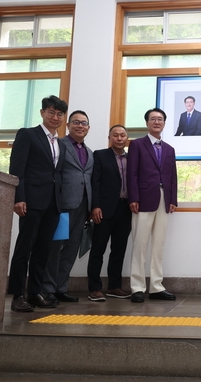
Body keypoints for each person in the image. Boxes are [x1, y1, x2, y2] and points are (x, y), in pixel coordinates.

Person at [8, 95, 67, 312]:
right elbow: (17, 169)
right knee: (24, 248)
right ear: (42, 113)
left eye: (60, 114)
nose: (55, 117)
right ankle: (16, 295)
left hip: (53, 204)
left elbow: (57, 174)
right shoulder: (28, 135)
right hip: (31, 201)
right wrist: (19, 197)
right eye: (51, 112)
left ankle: (34, 293)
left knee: (44, 251)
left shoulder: (59, 143)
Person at [41, 110, 93, 304]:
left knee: (71, 249)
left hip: (82, 207)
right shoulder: (59, 145)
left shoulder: (89, 151)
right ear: (68, 125)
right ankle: (47, 290)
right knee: (55, 248)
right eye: (76, 122)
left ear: (88, 128)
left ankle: (61, 288)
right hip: (61, 206)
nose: (80, 126)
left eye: (84, 123)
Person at [127, 108, 178, 303]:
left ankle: (156, 286)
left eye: (160, 119)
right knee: (140, 244)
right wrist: (133, 198)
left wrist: (173, 199)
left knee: (158, 245)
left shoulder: (169, 149)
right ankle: (137, 287)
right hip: (143, 199)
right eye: (152, 119)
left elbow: (172, 176)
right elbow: (131, 174)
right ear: (147, 123)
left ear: (164, 123)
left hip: (164, 200)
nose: (156, 122)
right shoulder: (137, 145)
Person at [87, 125, 133, 301]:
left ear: (126, 138)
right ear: (110, 138)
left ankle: (114, 286)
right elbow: (95, 182)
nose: (119, 138)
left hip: (125, 209)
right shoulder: (100, 155)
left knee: (119, 250)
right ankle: (94, 288)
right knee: (98, 249)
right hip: (104, 210)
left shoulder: (131, 158)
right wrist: (95, 206)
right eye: (116, 135)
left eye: (123, 135)